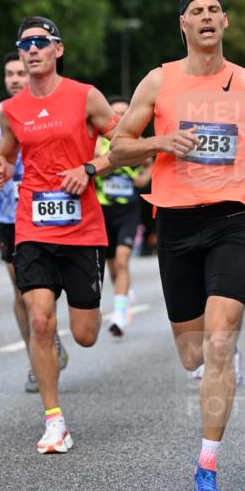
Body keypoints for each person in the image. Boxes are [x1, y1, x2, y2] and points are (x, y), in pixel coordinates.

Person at [109, 0, 245, 491]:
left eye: (213, 11)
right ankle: (215, 363)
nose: (206, 18)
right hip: (177, 225)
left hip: (233, 218)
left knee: (218, 343)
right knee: (193, 352)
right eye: (196, 12)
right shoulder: (159, 80)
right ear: (182, 25)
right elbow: (119, 147)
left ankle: (206, 468)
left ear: (225, 23)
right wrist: (158, 142)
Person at [0, 16, 120, 454]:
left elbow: (121, 145)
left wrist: (90, 169)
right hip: (32, 225)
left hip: (81, 229)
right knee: (40, 319)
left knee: (84, 333)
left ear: (57, 49)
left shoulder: (85, 96)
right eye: (24, 43)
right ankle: (54, 422)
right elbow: (6, 156)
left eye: (41, 42)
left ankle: (75, 328)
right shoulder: (12, 110)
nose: (32, 49)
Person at [0, 52, 69, 392]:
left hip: (52, 208)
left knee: (51, 284)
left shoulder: (53, 109)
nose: (14, 79)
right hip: (10, 214)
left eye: (20, 73)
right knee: (22, 289)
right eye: (9, 73)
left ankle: (49, 334)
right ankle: (38, 355)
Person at [94, 95, 153, 337]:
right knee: (112, 266)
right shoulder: (98, 142)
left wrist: (145, 177)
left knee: (122, 260)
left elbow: (151, 162)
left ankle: (119, 315)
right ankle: (123, 291)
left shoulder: (138, 141)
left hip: (128, 210)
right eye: (115, 114)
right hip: (101, 210)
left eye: (124, 114)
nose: (119, 119)